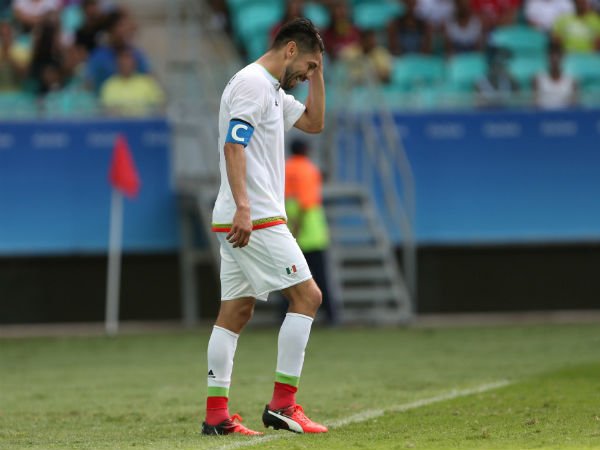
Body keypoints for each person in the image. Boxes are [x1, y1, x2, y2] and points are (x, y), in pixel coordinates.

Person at [202, 18, 327, 436]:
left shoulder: (272, 90)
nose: (307, 75)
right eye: (308, 66)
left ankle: (216, 416)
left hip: (242, 215)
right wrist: (244, 206)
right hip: (254, 217)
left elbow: (314, 122)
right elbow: (233, 144)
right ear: (290, 50)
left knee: (236, 312)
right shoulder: (253, 84)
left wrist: (319, 72)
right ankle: (283, 405)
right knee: (308, 296)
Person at [285, 139, 338, 325]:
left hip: (290, 232)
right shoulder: (310, 169)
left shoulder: (286, 169)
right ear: (306, 150)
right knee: (320, 277)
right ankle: (331, 316)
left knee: (289, 278)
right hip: (312, 233)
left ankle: (287, 315)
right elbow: (307, 202)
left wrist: (293, 230)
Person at [86, 8, 149, 91]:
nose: (126, 30)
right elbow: (89, 85)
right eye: (121, 26)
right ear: (110, 30)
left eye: (127, 26)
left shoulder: (136, 54)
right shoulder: (98, 57)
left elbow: (149, 80)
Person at [100, 47, 164, 116]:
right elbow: (106, 110)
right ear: (117, 63)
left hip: (143, 121)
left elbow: (159, 106)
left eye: (128, 59)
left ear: (135, 63)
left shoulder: (147, 83)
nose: (125, 63)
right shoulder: (109, 85)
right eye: (122, 59)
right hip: (118, 122)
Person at [533, 43, 577, 109]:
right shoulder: (538, 79)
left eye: (557, 55)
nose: (555, 59)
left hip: (566, 115)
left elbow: (575, 106)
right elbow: (535, 106)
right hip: (543, 114)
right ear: (547, 57)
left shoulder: (572, 80)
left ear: (562, 57)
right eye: (552, 55)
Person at [0, 21, 30, 92]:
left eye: (7, 34)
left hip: (17, 92)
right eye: (2, 35)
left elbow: (25, 76)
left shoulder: (22, 50)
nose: (5, 38)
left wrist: (9, 58)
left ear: (12, 34)